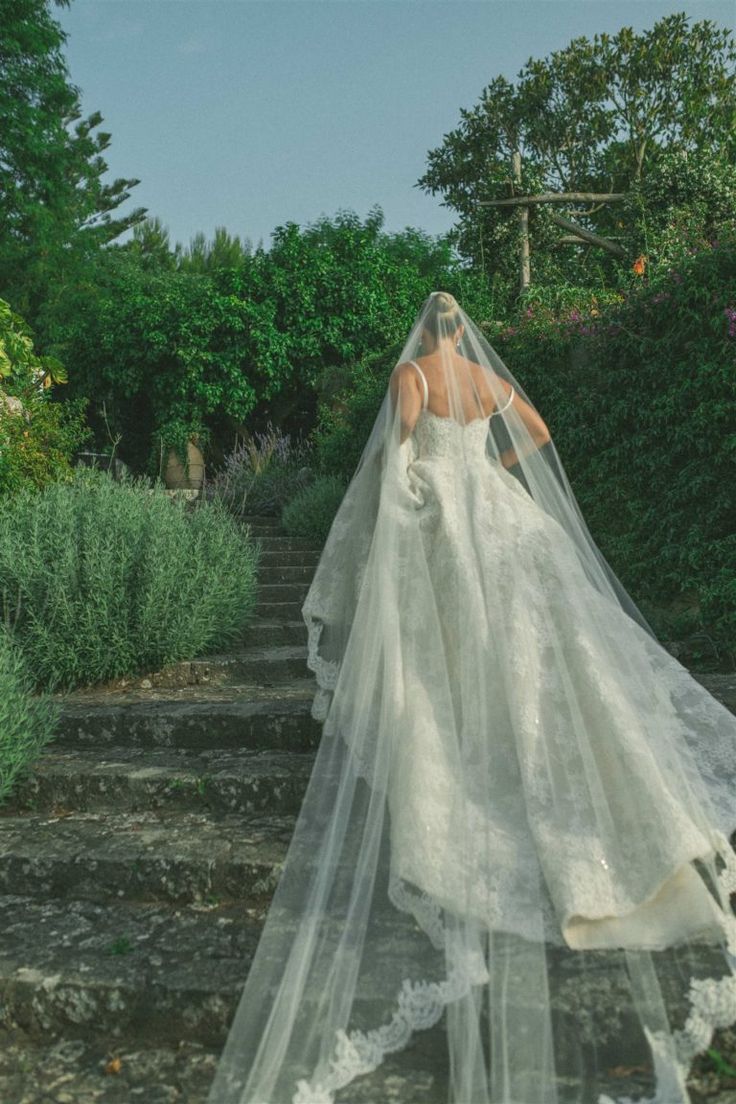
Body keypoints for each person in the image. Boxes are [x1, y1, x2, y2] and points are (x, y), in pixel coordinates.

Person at [207, 291, 736, 1104]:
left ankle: (472, 744)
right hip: (505, 514)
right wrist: (493, 471)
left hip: (450, 520)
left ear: (424, 330)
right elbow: (539, 435)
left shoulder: (414, 374)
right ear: (468, 335)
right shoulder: (488, 385)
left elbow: (397, 452)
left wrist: (417, 490)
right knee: (536, 648)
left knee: (463, 644)